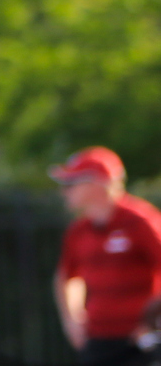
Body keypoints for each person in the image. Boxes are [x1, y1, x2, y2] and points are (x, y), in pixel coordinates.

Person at [52, 147, 161, 365]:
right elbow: (67, 278)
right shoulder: (78, 230)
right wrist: (72, 321)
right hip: (98, 340)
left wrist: (151, 323)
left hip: (140, 343)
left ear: (96, 183)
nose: (64, 191)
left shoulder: (140, 222)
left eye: (71, 184)